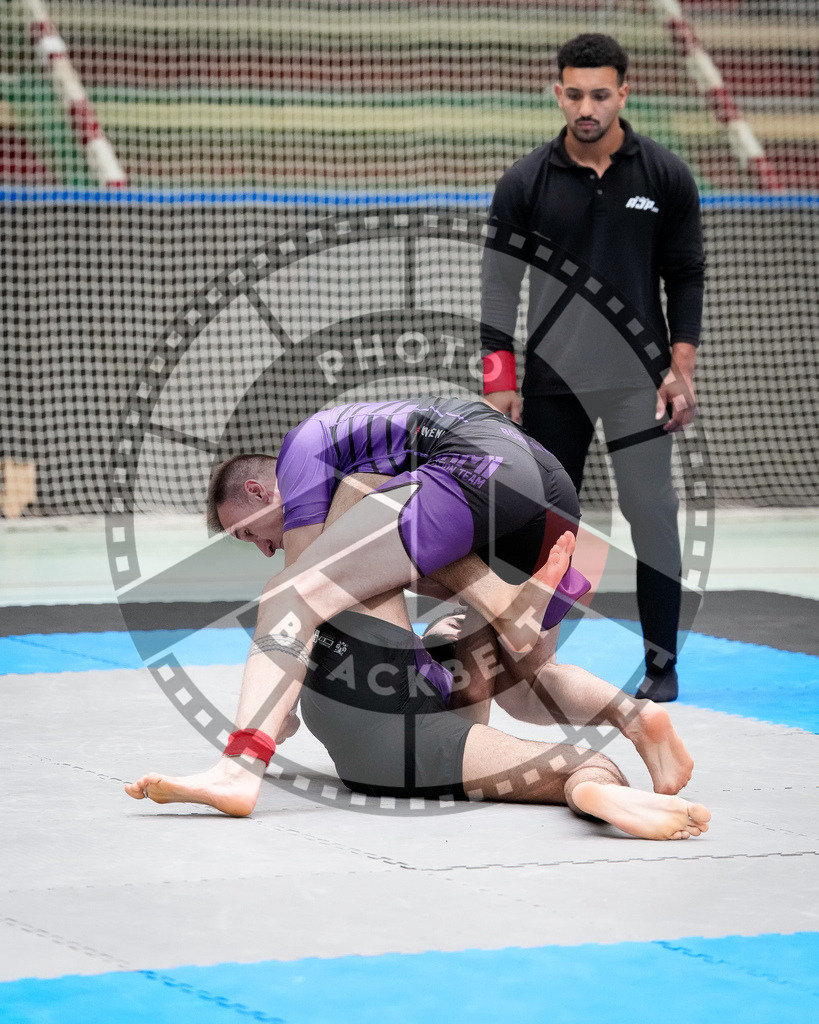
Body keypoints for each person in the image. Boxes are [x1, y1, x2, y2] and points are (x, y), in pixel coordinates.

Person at [125, 396, 710, 839]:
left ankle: (237, 769)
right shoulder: (372, 464)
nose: (263, 547)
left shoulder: (305, 455)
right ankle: (634, 719)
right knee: (529, 680)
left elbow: (302, 587)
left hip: (476, 467)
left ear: (259, 490)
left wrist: (273, 719)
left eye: (250, 532)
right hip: (541, 483)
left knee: (293, 591)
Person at [480, 33, 706, 702]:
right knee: (542, 525)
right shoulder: (524, 181)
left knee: (653, 516)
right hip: (554, 384)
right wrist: (499, 384)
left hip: (640, 384)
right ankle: (513, 657)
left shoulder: (664, 176)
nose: (586, 107)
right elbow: (498, 288)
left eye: (599, 94)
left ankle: (660, 666)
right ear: (558, 93)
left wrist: (679, 367)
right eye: (574, 94)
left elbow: (684, 277)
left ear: (622, 94)